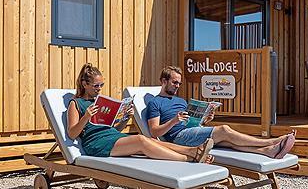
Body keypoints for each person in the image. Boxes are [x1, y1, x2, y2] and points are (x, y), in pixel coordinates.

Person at [68, 64, 214, 163]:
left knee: (153, 141)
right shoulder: (76, 103)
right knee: (141, 140)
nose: (99, 89)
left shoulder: (100, 101)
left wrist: (125, 118)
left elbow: (114, 129)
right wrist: (86, 117)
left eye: (101, 85)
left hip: (113, 136)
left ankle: (193, 151)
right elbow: (72, 133)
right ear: (84, 84)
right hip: (96, 143)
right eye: (96, 86)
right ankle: (188, 159)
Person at [145, 66, 296, 158]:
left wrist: (206, 119)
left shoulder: (181, 101)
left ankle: (268, 151)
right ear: (164, 81)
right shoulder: (155, 103)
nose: (177, 86)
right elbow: (154, 132)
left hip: (191, 131)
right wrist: (174, 121)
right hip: (178, 138)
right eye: (174, 82)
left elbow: (191, 123)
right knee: (224, 130)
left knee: (228, 142)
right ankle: (271, 141)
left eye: (179, 83)